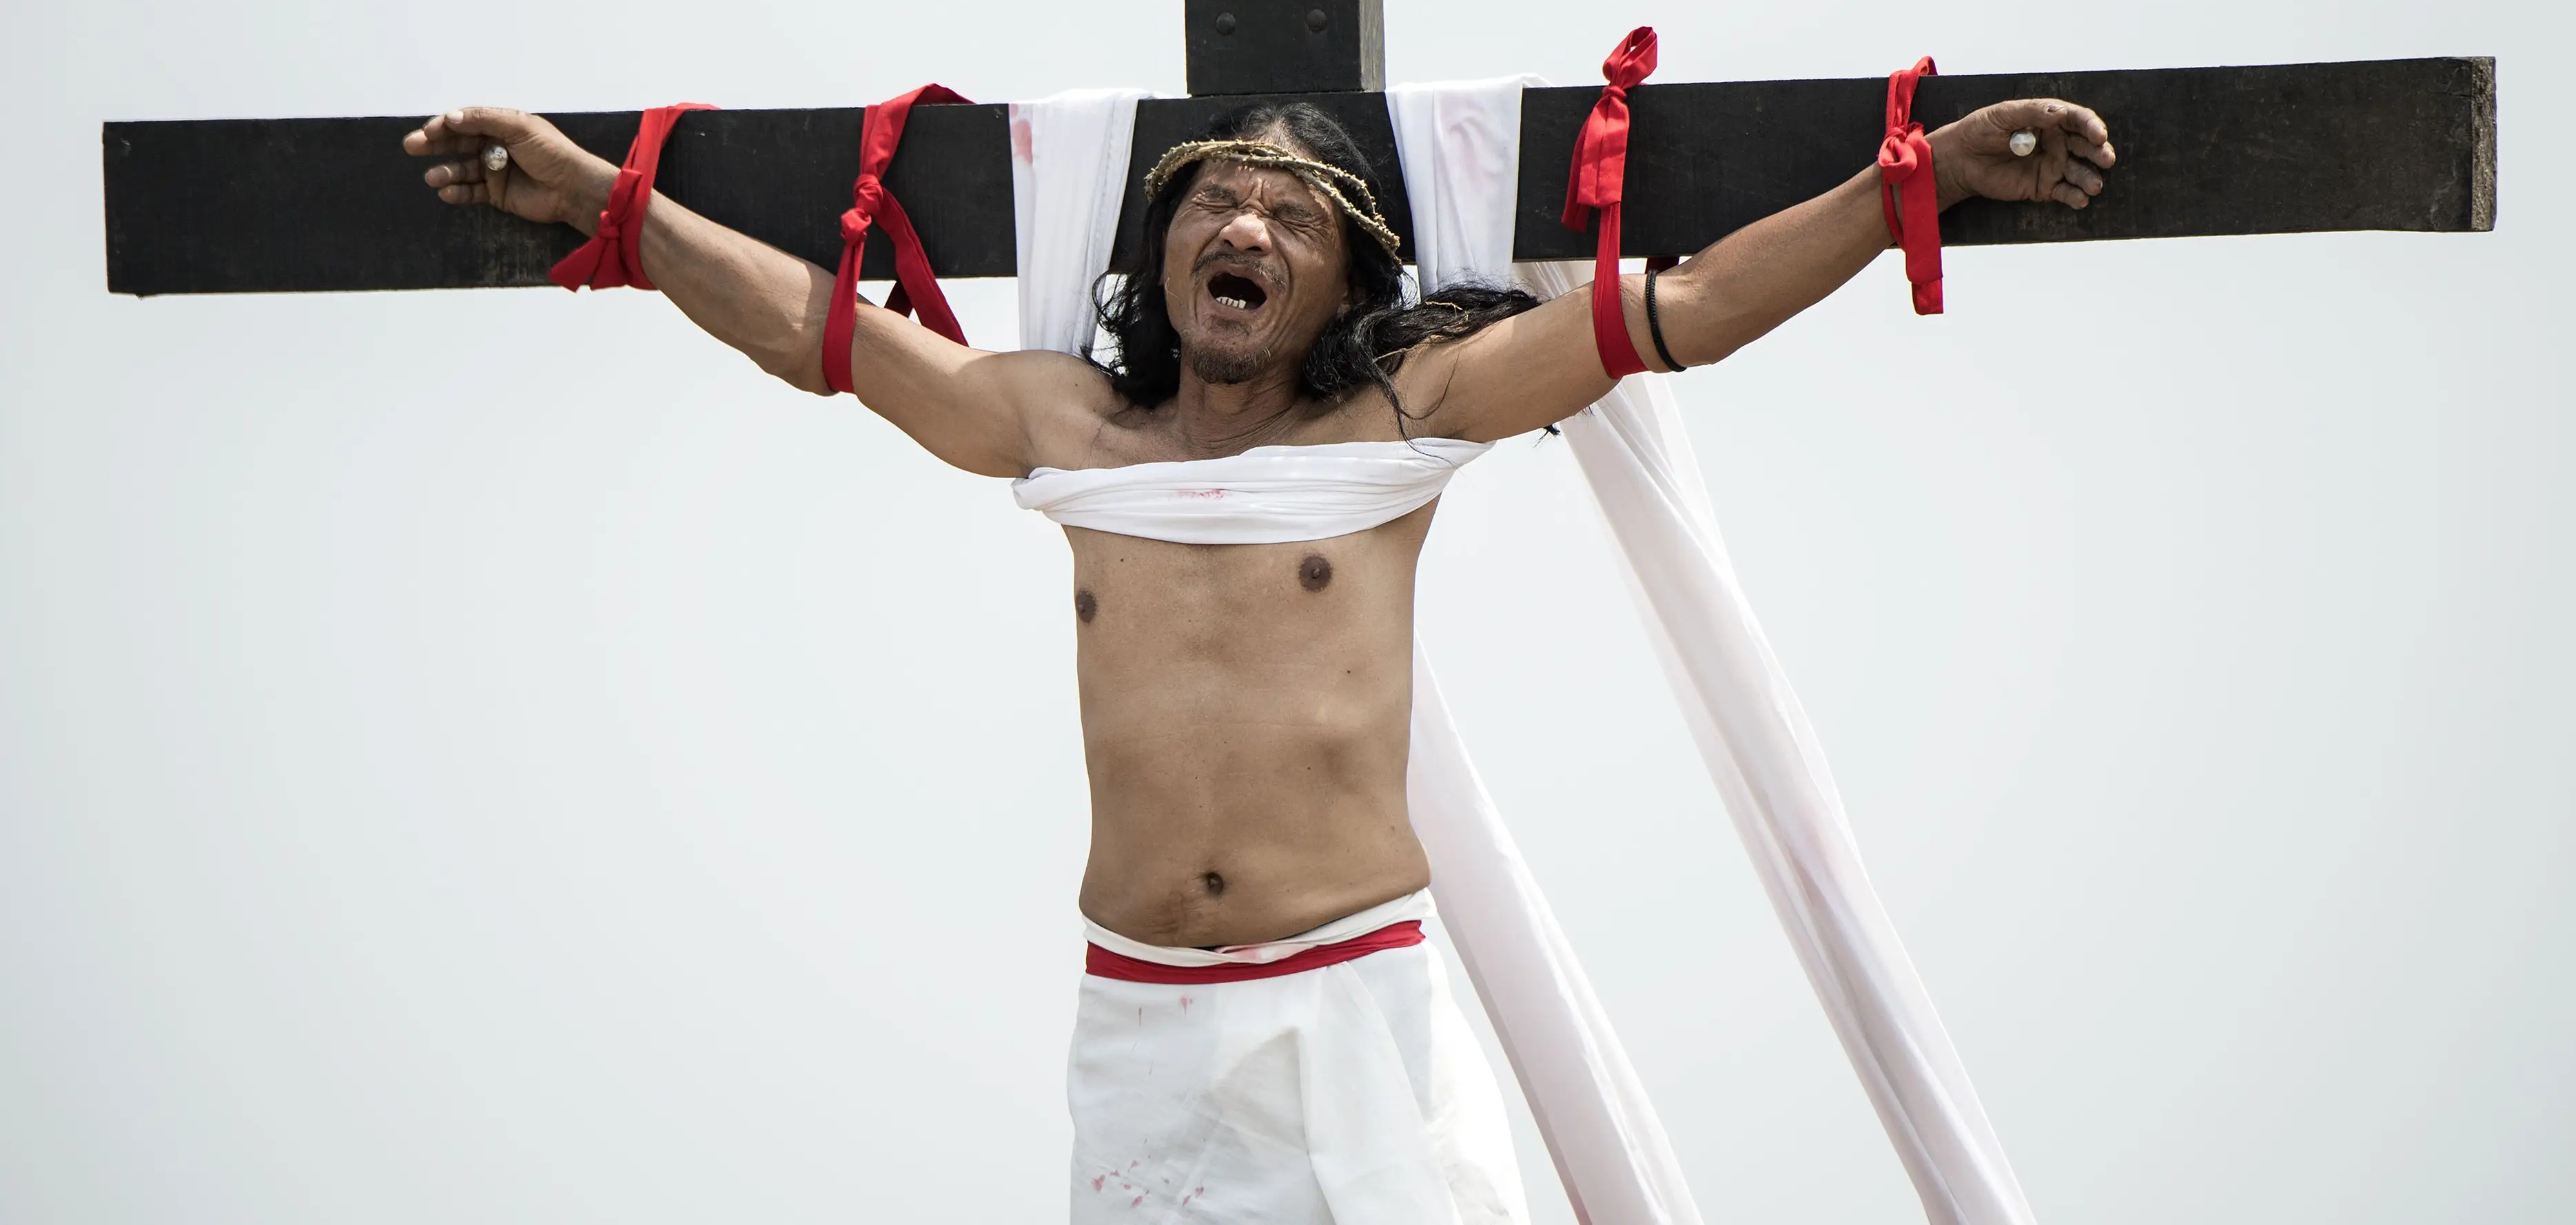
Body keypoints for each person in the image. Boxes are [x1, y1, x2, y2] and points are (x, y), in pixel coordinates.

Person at [404, 90, 2115, 1222]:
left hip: (1355, 1006)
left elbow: (1691, 312)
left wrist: (1920, 178)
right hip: (1140, 1020)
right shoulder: (1065, 426)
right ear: (1161, 255)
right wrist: (607, 199)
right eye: (1216, 203)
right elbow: (820, 332)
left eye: (1292, 217)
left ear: (1344, 275)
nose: (1248, 229)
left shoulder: (1407, 411)